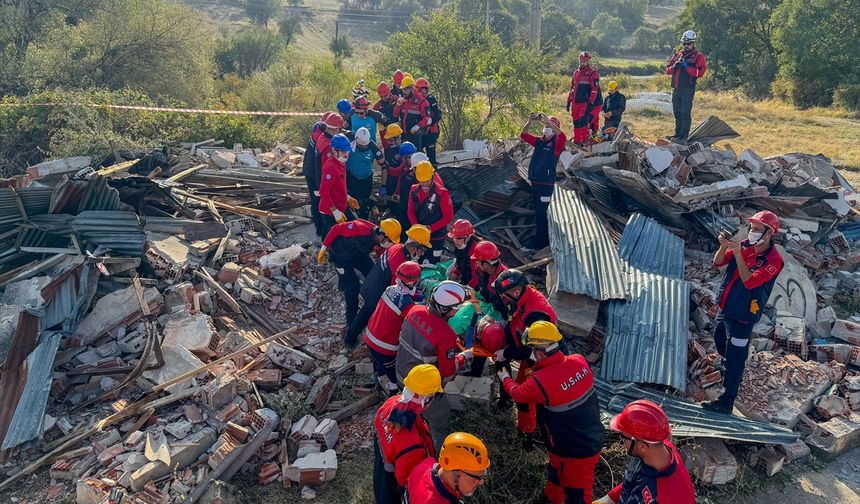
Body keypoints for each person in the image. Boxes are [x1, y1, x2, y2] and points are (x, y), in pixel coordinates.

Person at [498, 321, 604, 504]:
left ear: (539, 352)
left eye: (531, 350)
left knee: (577, 494)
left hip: (574, 451)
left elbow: (518, 393)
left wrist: (505, 377)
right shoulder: (578, 361)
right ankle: (551, 498)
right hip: (588, 436)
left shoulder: (541, 382)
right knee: (555, 472)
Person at [702, 211, 783, 414]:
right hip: (726, 307)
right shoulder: (746, 244)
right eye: (751, 227)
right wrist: (723, 246)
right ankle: (728, 370)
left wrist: (738, 254)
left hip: (743, 316)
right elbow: (718, 262)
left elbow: (750, 281)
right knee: (719, 339)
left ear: (769, 233)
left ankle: (726, 401)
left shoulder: (774, 260)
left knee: (736, 357)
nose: (751, 232)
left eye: (756, 229)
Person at [396, 281, 472, 452]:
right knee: (441, 421)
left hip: (402, 375)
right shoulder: (446, 335)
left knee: (411, 416)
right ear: (445, 309)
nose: (456, 312)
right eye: (455, 308)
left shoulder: (414, 311)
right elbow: (447, 370)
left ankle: (408, 437)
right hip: (424, 390)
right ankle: (439, 458)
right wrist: (464, 356)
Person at [493, 268, 557, 443]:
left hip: (536, 360)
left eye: (506, 295)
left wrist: (506, 352)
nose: (505, 298)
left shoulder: (536, 314)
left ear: (515, 291)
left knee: (524, 396)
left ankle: (527, 433)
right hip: (529, 353)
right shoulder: (524, 298)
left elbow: (531, 350)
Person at [346, 224, 432, 349]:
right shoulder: (401, 263)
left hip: (370, 284)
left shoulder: (397, 247)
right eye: (422, 249)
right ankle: (350, 339)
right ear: (415, 246)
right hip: (375, 294)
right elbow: (396, 291)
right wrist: (415, 295)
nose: (423, 253)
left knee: (365, 314)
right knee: (365, 315)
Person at [594, 400, 695, 504]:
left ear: (642, 446)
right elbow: (633, 480)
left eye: (624, 437)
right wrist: (608, 499)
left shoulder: (665, 497)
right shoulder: (654, 449)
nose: (622, 441)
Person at [373, 364, 442, 504]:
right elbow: (408, 484)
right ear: (426, 399)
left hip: (380, 476)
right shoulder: (412, 447)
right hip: (393, 493)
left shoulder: (390, 403)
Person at [318, 217, 401, 328]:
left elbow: (381, 253)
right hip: (339, 254)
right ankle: (351, 322)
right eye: (390, 240)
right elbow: (336, 229)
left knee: (373, 273)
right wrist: (324, 247)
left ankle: (375, 305)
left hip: (357, 252)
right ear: (382, 234)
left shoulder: (378, 240)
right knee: (352, 287)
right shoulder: (359, 229)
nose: (390, 244)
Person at [363, 260, 425, 396]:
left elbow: (403, 295)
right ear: (411, 282)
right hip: (385, 346)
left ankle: (380, 377)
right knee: (392, 374)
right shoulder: (406, 305)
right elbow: (414, 318)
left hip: (370, 336)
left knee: (381, 364)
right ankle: (393, 394)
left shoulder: (390, 289)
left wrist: (418, 297)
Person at [520, 113, 565, 250]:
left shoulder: (556, 144)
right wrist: (529, 122)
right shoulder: (540, 142)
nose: (546, 128)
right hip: (535, 182)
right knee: (538, 212)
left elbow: (563, 137)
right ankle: (540, 239)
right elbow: (523, 135)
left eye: (549, 126)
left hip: (546, 184)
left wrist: (550, 123)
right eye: (545, 126)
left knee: (543, 214)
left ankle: (541, 243)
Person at [403, 432, 489, 503]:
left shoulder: (426, 464)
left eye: (483, 475)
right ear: (457, 474)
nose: (481, 482)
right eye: (477, 478)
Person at [407, 161, 454, 265]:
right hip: (419, 235)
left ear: (433, 176)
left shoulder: (442, 193)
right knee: (417, 261)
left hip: (436, 236)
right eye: (421, 181)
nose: (424, 184)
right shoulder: (414, 190)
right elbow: (410, 211)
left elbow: (448, 217)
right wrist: (417, 227)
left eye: (427, 181)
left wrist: (429, 229)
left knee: (433, 263)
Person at [666, 30, 708, 143]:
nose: (686, 46)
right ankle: (677, 134)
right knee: (677, 112)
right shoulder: (677, 55)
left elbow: (700, 73)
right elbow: (667, 70)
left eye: (688, 43)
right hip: (676, 88)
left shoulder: (698, 57)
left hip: (687, 89)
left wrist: (686, 67)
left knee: (685, 113)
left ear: (694, 43)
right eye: (684, 43)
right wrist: (674, 67)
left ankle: (684, 137)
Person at [302, 112, 336, 238]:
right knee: (317, 200)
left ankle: (321, 226)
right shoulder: (322, 138)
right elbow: (320, 164)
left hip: (312, 169)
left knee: (318, 199)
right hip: (313, 173)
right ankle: (320, 228)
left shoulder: (318, 130)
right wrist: (320, 184)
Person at [318, 133, 360, 236]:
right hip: (330, 212)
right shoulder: (331, 167)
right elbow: (323, 192)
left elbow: (338, 185)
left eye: (347, 151)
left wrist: (347, 197)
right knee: (336, 240)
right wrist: (335, 212)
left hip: (341, 207)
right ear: (334, 150)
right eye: (342, 151)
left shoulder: (341, 161)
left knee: (354, 229)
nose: (346, 154)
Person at [347, 127, 387, 219]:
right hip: (352, 177)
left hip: (367, 178)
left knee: (366, 199)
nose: (364, 147)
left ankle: (368, 215)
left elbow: (384, 166)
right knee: (358, 201)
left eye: (365, 145)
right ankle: (362, 219)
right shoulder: (349, 137)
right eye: (361, 145)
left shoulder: (373, 147)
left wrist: (383, 186)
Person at [566, 51, 600, 145]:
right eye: (581, 61)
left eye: (584, 61)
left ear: (588, 61)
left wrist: (591, 102)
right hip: (575, 103)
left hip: (584, 103)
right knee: (576, 123)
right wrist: (568, 101)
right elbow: (572, 88)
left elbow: (594, 90)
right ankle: (577, 141)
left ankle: (585, 142)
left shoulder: (592, 73)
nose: (582, 63)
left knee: (583, 123)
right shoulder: (576, 73)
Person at [394, 76, 431, 152]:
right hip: (405, 131)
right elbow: (395, 115)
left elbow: (428, 118)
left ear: (412, 88)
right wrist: (398, 105)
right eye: (403, 90)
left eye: (405, 89)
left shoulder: (422, 101)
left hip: (416, 131)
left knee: (416, 144)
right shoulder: (404, 100)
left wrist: (418, 126)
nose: (404, 92)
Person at [471, 241, 507, 315]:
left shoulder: (504, 280)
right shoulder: (481, 270)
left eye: (478, 261)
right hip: (486, 306)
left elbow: (507, 306)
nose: (476, 263)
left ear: (486, 265)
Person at [415, 78, 442, 165]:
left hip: (432, 130)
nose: (423, 91)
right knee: (419, 148)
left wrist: (429, 126)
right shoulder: (419, 101)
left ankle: (433, 169)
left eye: (424, 88)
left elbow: (437, 115)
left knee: (430, 151)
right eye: (422, 88)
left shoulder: (430, 99)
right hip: (424, 131)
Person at [447, 219, 481, 288]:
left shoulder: (475, 253)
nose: (455, 241)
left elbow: (476, 279)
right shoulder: (460, 247)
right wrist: (448, 282)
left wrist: (465, 289)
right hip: (465, 280)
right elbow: (459, 266)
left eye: (458, 238)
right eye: (454, 238)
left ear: (467, 237)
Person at [374, 82, 399, 148]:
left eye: (385, 96)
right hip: (385, 133)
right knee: (388, 150)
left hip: (397, 130)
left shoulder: (396, 100)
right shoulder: (377, 105)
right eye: (381, 96)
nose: (384, 98)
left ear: (388, 92)